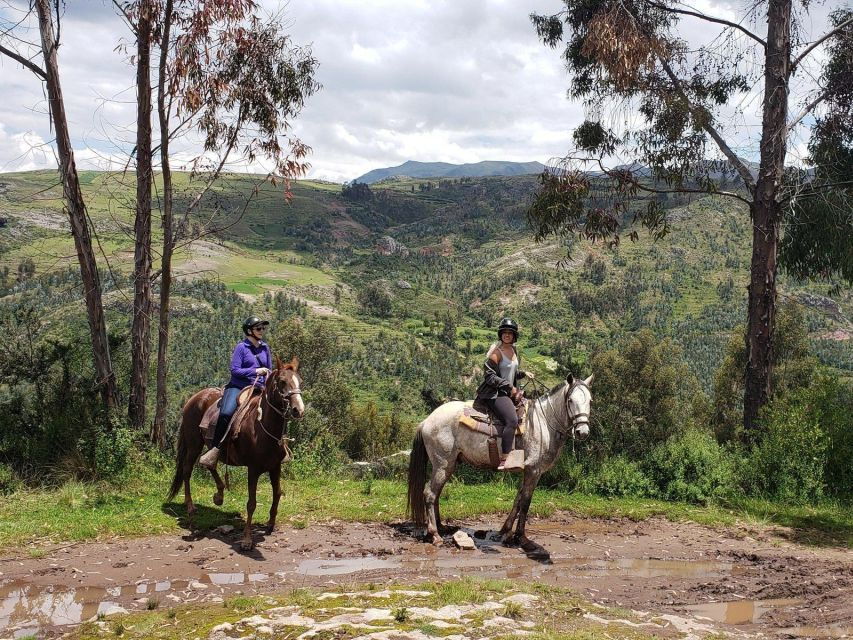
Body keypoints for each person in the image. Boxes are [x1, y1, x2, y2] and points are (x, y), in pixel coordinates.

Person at [199, 316, 273, 469]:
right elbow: (235, 370)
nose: (262, 331)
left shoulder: (265, 347)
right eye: (258, 328)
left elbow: (270, 370)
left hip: (260, 388)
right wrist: (255, 371)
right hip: (239, 387)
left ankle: (279, 447)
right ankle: (215, 449)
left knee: (277, 410)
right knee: (226, 413)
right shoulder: (242, 348)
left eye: (263, 328)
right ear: (249, 330)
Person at [474, 317, 533, 471]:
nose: (507, 335)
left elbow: (509, 373)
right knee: (512, 420)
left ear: (514, 336)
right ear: (501, 334)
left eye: (510, 333)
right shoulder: (496, 352)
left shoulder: (514, 351)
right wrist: (510, 388)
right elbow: (490, 376)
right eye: (504, 333)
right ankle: (505, 458)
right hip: (495, 393)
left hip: (506, 391)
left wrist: (523, 373)